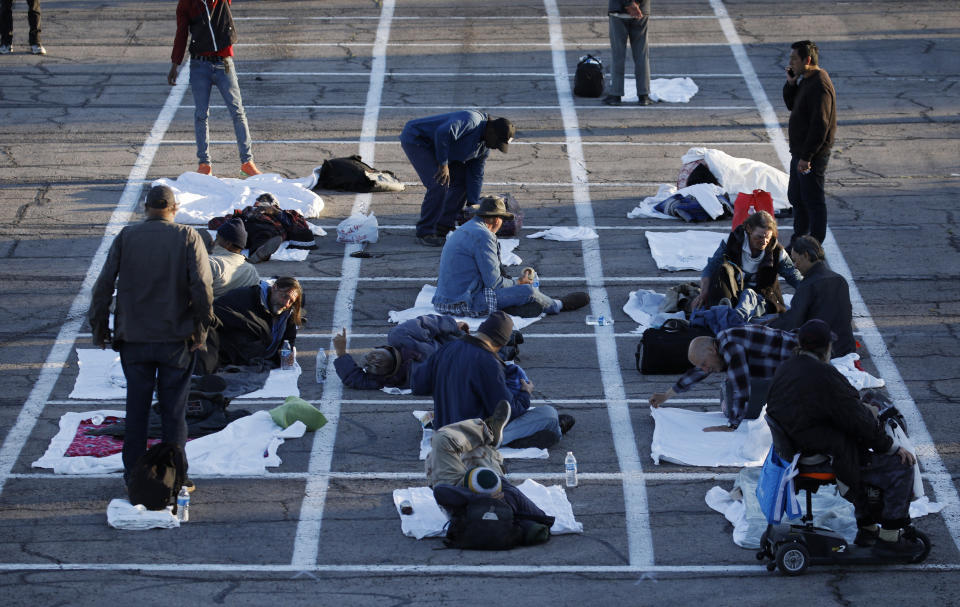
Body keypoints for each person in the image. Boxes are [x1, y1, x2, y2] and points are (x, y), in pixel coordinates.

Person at [88, 185, 215, 483]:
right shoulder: (187, 236)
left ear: (146, 207)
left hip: (134, 339)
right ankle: (175, 476)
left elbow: (103, 286)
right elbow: (202, 288)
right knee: (173, 412)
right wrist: (202, 328)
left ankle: (134, 473)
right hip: (176, 340)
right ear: (175, 208)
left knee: (137, 409)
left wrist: (100, 329)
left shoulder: (127, 236)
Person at [766, 320, 920, 555]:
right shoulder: (824, 375)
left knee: (862, 446)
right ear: (827, 348)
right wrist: (891, 446)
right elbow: (858, 420)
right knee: (900, 465)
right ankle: (890, 537)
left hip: (798, 444)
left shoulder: (788, 367)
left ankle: (867, 528)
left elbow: (835, 409)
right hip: (822, 452)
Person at [412, 311, 574, 449]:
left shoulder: (448, 348)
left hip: (442, 430)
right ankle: (544, 432)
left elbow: (418, 385)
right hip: (469, 438)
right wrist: (525, 393)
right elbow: (507, 411)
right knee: (549, 414)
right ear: (502, 343)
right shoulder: (487, 362)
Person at [433, 195, 590, 317]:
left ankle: (514, 305)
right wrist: (519, 282)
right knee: (527, 291)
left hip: (444, 299)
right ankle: (557, 305)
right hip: (463, 303)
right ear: (495, 219)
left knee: (527, 282)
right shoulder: (484, 236)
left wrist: (515, 282)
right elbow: (494, 284)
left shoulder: (464, 229)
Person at [168, 0, 261, 178]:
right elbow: (181, 33)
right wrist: (175, 64)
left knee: (237, 112)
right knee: (201, 114)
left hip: (224, 63)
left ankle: (247, 163)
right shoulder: (186, 4)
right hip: (199, 65)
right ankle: (204, 164)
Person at [649, 324, 798, 431]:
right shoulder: (719, 346)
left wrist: (732, 425)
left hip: (806, 356)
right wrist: (666, 395)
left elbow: (741, 387)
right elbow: (697, 373)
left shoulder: (731, 347)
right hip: (794, 363)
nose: (706, 370)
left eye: (704, 364)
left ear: (711, 350)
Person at [399, 110, 514, 246]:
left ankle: (443, 226)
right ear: (491, 131)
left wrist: (473, 204)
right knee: (439, 183)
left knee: (462, 182)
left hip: (441, 149)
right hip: (418, 139)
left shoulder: (483, 148)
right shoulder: (471, 120)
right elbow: (442, 133)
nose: (496, 147)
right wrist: (443, 164)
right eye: (497, 143)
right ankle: (425, 232)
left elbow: (475, 175)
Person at [690, 210, 802, 315]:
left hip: (762, 298)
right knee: (720, 271)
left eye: (768, 237)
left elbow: (792, 274)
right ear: (748, 229)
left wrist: (809, 289)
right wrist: (703, 292)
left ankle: (737, 314)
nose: (764, 242)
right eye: (759, 237)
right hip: (732, 293)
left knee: (748, 300)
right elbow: (711, 267)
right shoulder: (730, 243)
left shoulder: (777, 251)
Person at [784, 39, 837, 246]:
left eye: (794, 59)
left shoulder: (820, 85)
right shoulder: (806, 78)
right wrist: (791, 83)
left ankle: (813, 245)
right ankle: (800, 240)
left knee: (812, 200)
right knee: (796, 197)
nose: (790, 63)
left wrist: (807, 157)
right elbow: (792, 105)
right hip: (800, 152)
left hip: (811, 155)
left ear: (807, 59)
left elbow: (820, 126)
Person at [769, 235, 855, 356]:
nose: (795, 266)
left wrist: (768, 327)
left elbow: (793, 320)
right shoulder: (840, 280)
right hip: (846, 347)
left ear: (806, 255)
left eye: (795, 260)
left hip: (823, 351)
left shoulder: (808, 285)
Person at [333, 314, 467, 390]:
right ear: (387, 349)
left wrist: (341, 352)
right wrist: (454, 325)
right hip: (460, 350)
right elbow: (429, 323)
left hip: (460, 370)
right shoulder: (401, 337)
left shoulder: (386, 380)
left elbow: (354, 379)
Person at [198, 276, 303, 373]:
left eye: (291, 301)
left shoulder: (288, 316)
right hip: (231, 357)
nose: (286, 303)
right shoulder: (245, 297)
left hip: (262, 362)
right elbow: (216, 313)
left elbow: (289, 341)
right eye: (284, 296)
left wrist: (286, 354)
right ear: (274, 288)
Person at [604, 0, 650, 106]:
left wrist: (629, 3)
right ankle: (644, 95)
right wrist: (637, 3)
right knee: (642, 55)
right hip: (641, 11)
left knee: (618, 55)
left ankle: (616, 94)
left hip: (618, 10)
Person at [208, 217, 259, 298]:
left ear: (228, 243)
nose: (214, 242)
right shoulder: (251, 271)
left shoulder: (212, 263)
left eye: (217, 238)